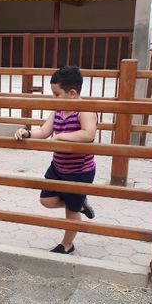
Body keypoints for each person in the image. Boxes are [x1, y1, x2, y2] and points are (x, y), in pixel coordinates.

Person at [14, 65, 97, 255]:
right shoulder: (59, 110)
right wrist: (27, 133)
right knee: (47, 200)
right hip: (58, 167)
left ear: (72, 93)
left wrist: (61, 137)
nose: (53, 98)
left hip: (79, 172)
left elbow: (88, 134)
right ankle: (79, 203)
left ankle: (67, 245)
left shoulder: (85, 111)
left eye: (56, 94)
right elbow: (44, 132)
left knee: (71, 212)